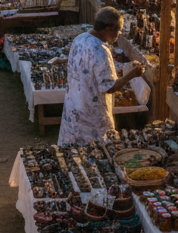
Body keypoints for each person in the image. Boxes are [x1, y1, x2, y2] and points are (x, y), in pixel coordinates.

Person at [57, 8, 146, 146]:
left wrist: (124, 66)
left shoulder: (80, 39)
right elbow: (109, 87)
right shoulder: (101, 51)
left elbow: (93, 68)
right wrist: (132, 75)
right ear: (109, 28)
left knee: (73, 149)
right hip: (91, 113)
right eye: (118, 31)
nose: (118, 34)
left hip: (74, 106)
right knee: (95, 150)